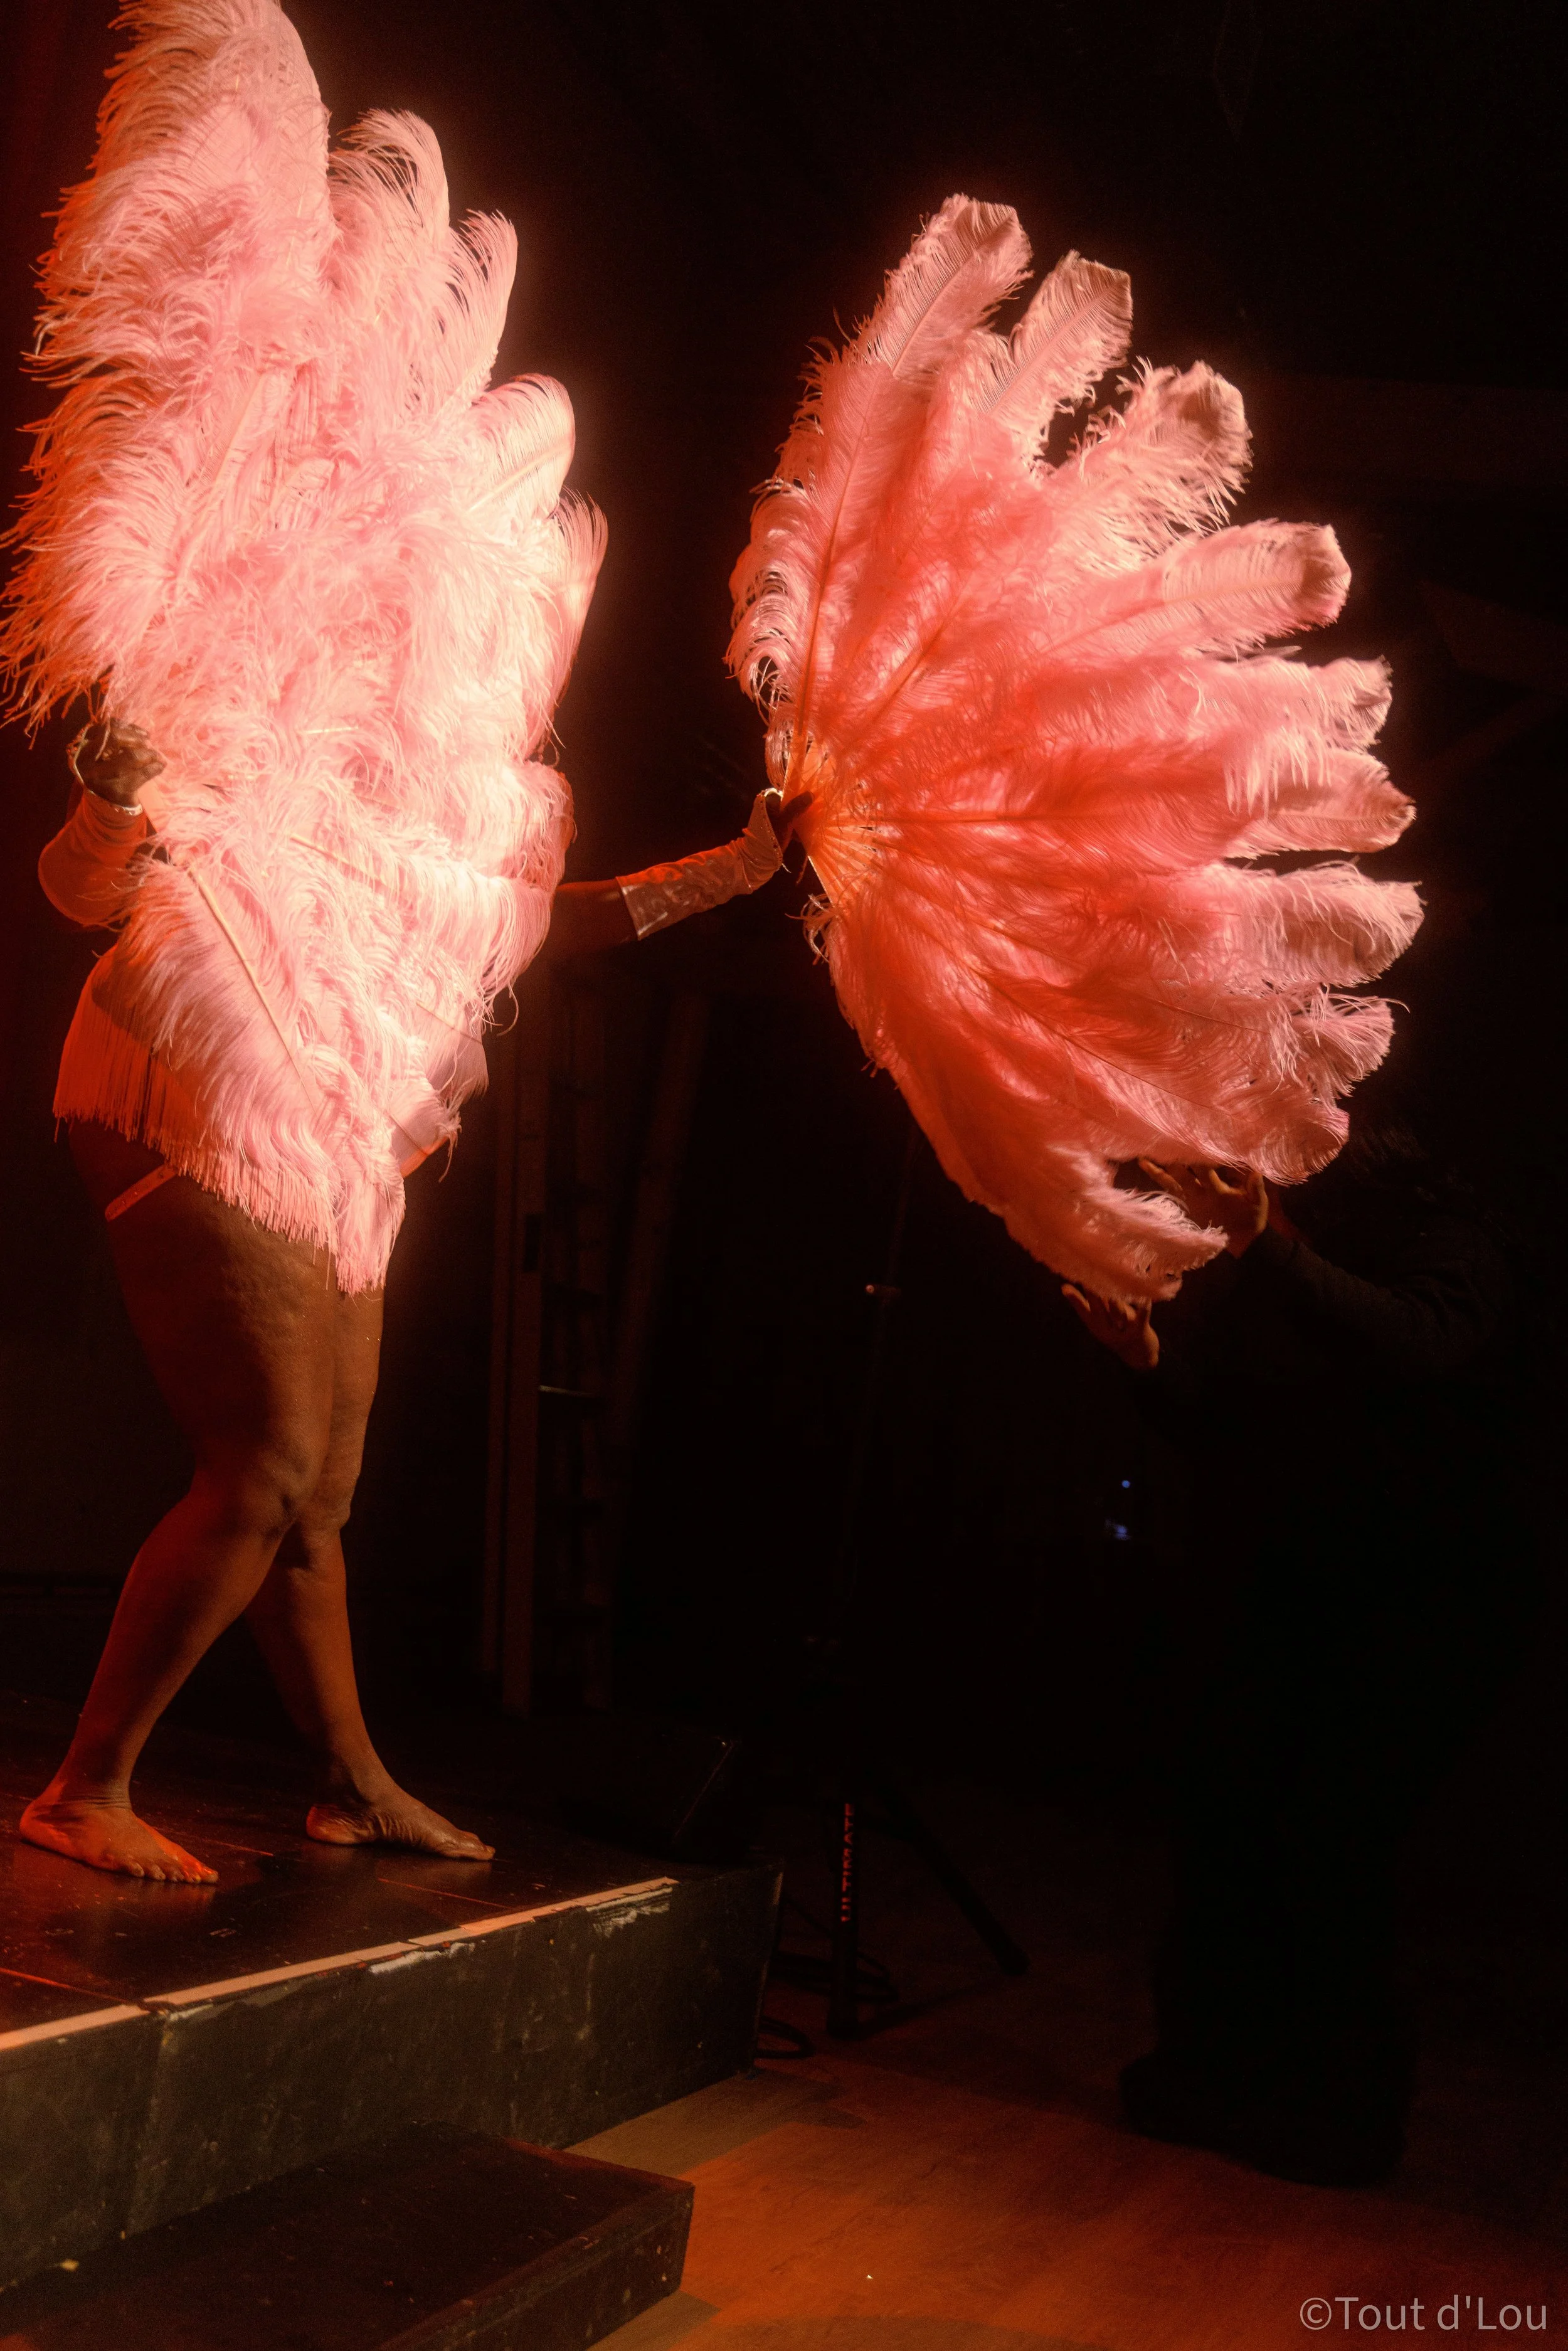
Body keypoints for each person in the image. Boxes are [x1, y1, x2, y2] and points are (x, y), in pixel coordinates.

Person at [21, 716, 803, 1885]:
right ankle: (87, 1788)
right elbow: (85, 891)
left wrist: (741, 867)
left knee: (320, 1491)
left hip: (335, 1127)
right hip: (195, 1078)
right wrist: (113, 798)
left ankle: (351, 1783)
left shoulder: (448, 805)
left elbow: (542, 929)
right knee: (270, 1464)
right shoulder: (287, 722)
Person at [1065, 1130, 1534, 2185]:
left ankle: (1341, 2121)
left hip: (1414, 1613)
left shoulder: (1459, 1245)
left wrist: (1268, 1243)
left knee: (1333, 1861)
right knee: (1228, 1839)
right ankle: (1213, 2082)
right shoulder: (1282, 1271)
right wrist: (1147, 1364)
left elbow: (1414, 1344)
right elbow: (1236, 1432)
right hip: (1288, 1601)